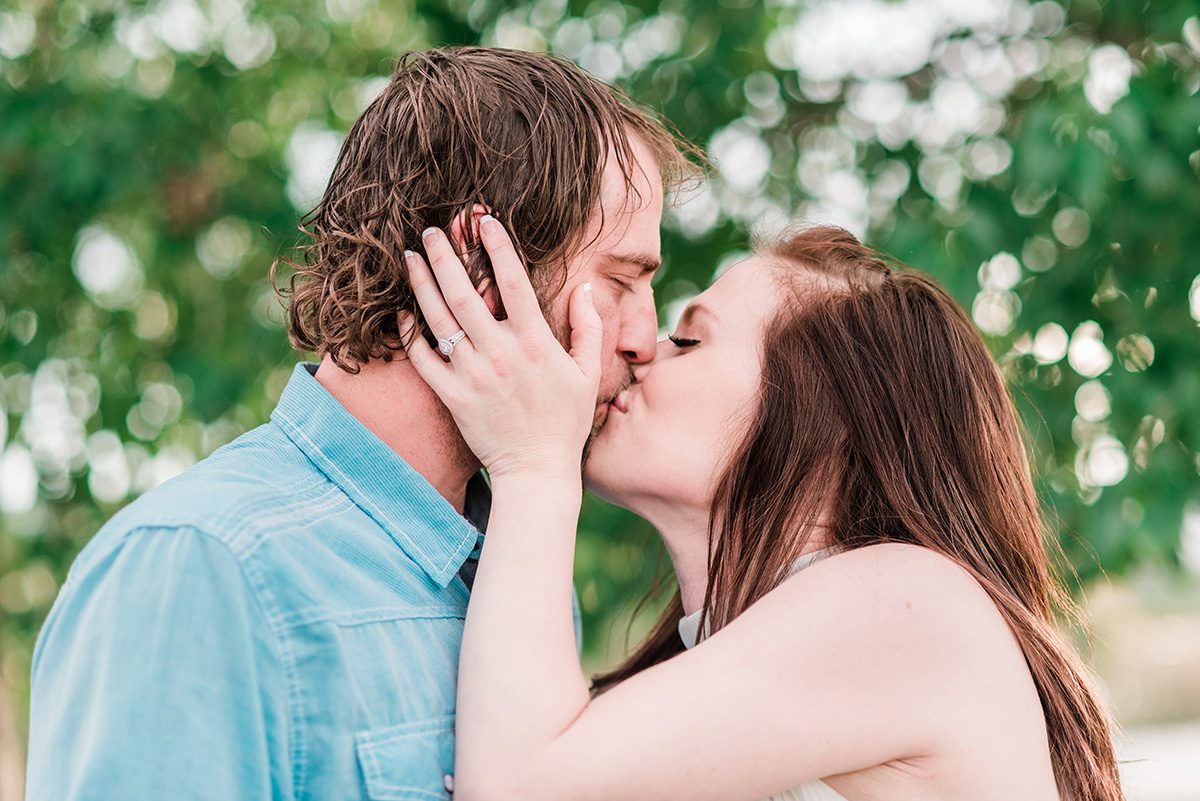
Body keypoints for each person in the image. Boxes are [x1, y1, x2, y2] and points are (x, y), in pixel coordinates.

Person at [24, 47, 697, 800]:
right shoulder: (202, 569)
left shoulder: (519, 576)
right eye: (621, 279)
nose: (644, 336)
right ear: (480, 262)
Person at [400, 221, 1126, 801]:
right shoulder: (746, 658)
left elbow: (517, 789)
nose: (641, 350)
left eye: (689, 339)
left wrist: (532, 463)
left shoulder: (906, 604)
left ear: (826, 424)